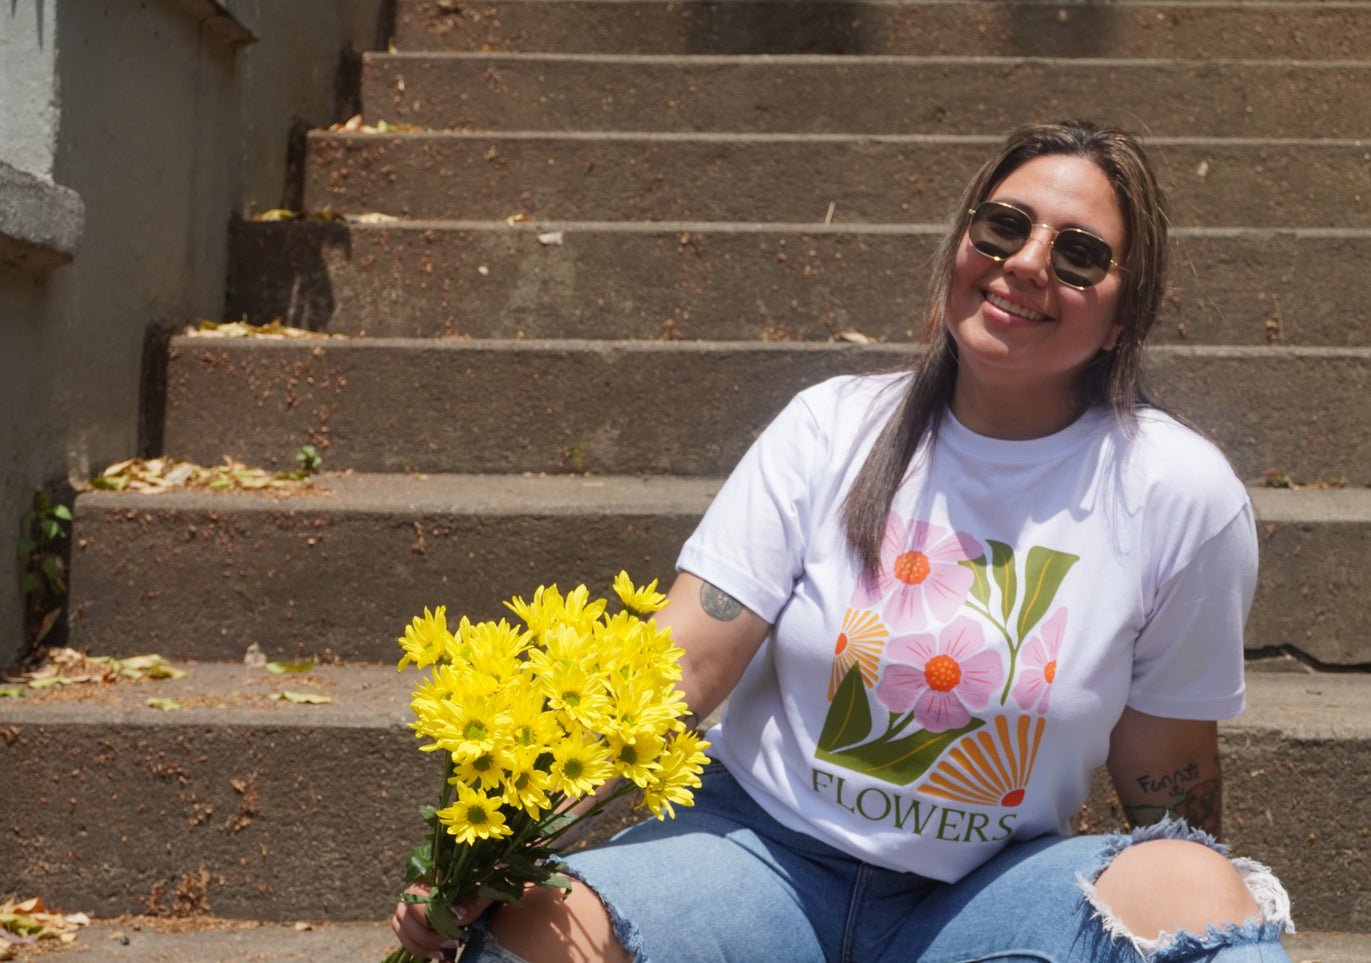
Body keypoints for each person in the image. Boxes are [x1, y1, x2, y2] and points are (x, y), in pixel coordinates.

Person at [391, 120, 1295, 963]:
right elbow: (685, 666)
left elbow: (1163, 767)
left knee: (1201, 894)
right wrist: (487, 846)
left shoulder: (1176, 492)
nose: (1024, 263)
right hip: (756, 859)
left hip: (985, 893)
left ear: (1125, 313)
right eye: (1001, 227)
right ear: (959, 247)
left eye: (1078, 253)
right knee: (537, 931)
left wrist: (1174, 896)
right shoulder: (831, 428)